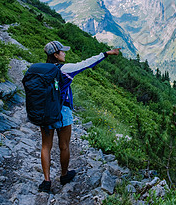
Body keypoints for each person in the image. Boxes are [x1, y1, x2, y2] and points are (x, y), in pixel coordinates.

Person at [38, 40, 121, 193]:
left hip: (45, 112)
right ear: (56, 55)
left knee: (46, 146)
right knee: (64, 146)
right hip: (62, 112)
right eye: (62, 51)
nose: (64, 53)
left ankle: (46, 181)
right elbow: (86, 64)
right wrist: (106, 54)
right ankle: (64, 175)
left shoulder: (42, 69)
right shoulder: (65, 69)